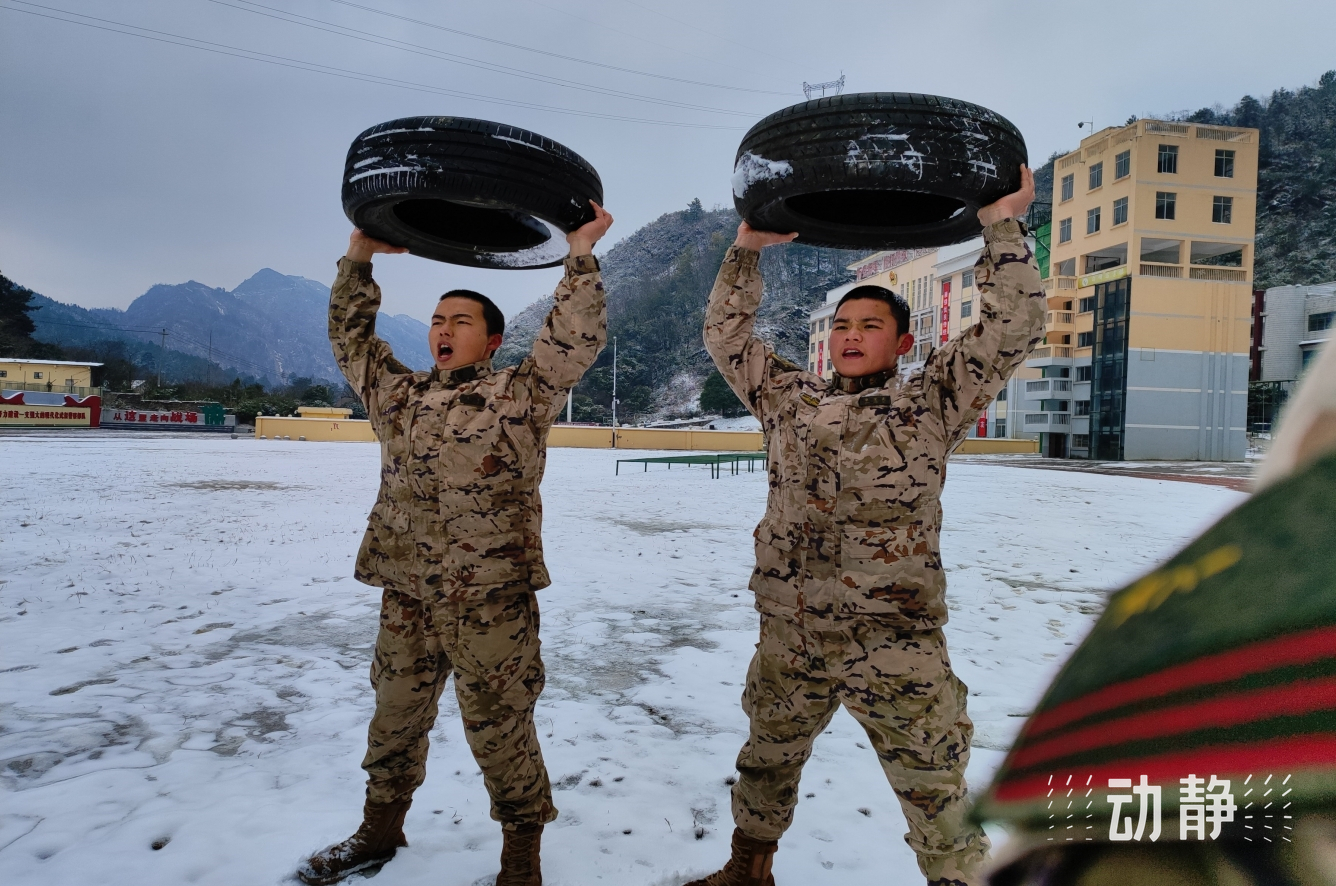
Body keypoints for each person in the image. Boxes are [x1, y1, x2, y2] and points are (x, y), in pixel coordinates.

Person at [691, 169, 1044, 886]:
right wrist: (746, 250)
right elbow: (726, 337)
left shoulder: (934, 401)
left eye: (870, 326)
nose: (851, 337)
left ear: (903, 342)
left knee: (935, 788)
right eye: (843, 326)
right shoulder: (789, 401)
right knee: (765, 761)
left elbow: (1014, 325)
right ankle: (746, 871)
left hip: (895, 639)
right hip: (792, 633)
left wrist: (1001, 225)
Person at [298, 202, 614, 886]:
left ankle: (520, 856)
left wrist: (581, 254)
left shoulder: (519, 396)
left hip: (489, 601)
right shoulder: (399, 396)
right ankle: (379, 831)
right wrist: (358, 258)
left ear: (493, 340)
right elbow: (352, 341)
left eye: (460, 321)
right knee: (393, 721)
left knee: (500, 730)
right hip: (406, 593)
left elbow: (574, 337)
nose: (444, 331)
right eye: (438, 320)